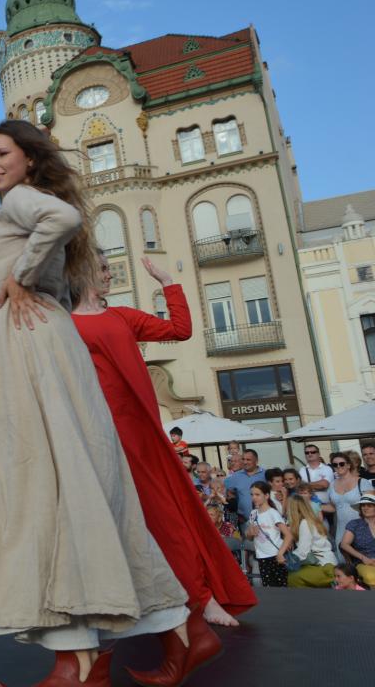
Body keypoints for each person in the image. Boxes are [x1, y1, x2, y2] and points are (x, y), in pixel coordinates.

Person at [0, 120, 207, 687]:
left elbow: (63, 221)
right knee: (72, 483)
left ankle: (80, 660)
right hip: (41, 336)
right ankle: (167, 632)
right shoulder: (29, 203)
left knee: (45, 481)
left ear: (29, 160)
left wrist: (18, 277)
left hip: (30, 338)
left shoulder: (21, 202)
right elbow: (60, 253)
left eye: (1, 152)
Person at [71, 251, 256, 626]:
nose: (109, 274)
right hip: (93, 434)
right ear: (80, 270)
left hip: (136, 433)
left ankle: (203, 598)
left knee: (168, 516)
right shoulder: (62, 323)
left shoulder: (121, 316)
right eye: (103, 267)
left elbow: (179, 329)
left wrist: (167, 282)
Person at [326, 451, 372, 557]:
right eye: (335, 464)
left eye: (341, 463)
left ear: (348, 465)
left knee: (365, 561)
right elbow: (333, 507)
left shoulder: (362, 482)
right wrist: (313, 505)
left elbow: (371, 506)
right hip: (342, 528)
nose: (338, 466)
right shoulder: (332, 485)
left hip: (362, 528)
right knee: (345, 563)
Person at [285, 494, 336, 588]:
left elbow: (303, 552)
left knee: (292, 577)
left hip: (322, 565)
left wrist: (286, 559)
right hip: (326, 562)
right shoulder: (311, 520)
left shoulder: (305, 524)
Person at [247, 482, 290, 587]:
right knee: (268, 586)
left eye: (257, 495)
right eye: (252, 495)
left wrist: (280, 553)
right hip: (261, 556)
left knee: (280, 586)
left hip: (275, 555)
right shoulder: (253, 513)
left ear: (266, 495)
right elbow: (250, 537)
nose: (254, 498)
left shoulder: (272, 513)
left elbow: (288, 535)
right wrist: (251, 533)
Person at [225, 449, 265, 532]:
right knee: (248, 545)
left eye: (248, 459)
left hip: (265, 520)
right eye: (243, 459)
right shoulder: (235, 476)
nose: (245, 462)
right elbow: (221, 488)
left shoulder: (265, 474)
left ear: (256, 461)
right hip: (245, 522)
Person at [340, 494, 375, 587]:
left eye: (369, 505)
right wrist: (363, 558)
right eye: (363, 505)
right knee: (371, 576)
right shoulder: (355, 524)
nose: (365, 508)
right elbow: (344, 544)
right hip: (363, 562)